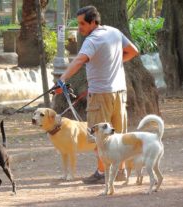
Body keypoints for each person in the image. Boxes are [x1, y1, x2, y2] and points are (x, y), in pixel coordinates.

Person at [58, 5, 139, 184]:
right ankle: (120, 172)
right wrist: (115, 63)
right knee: (119, 135)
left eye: (82, 24)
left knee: (99, 136)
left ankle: (102, 173)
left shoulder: (92, 40)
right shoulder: (115, 32)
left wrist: (62, 79)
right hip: (119, 92)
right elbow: (133, 51)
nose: (79, 28)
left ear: (93, 22)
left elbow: (79, 60)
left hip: (100, 95)